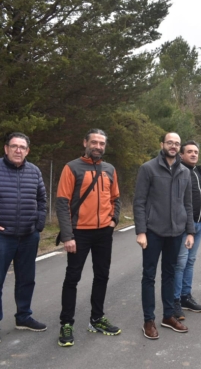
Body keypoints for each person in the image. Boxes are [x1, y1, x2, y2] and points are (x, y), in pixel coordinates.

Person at [57, 129, 121, 347]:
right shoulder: (72, 167)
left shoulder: (109, 169)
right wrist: (67, 235)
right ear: (85, 142)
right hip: (79, 233)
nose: (98, 146)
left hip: (104, 232)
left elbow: (116, 198)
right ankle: (66, 323)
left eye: (102, 143)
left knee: (102, 276)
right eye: (94, 142)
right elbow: (62, 203)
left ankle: (97, 318)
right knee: (72, 278)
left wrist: (114, 221)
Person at [134, 132, 195, 340]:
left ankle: (168, 316)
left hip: (176, 232)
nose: (173, 146)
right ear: (162, 144)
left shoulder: (185, 172)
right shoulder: (148, 168)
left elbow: (188, 204)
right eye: (170, 142)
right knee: (149, 276)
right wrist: (141, 231)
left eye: (177, 143)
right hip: (153, 232)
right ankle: (148, 320)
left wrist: (190, 231)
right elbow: (139, 202)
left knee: (169, 274)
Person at [0, 132, 47, 342]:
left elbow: (42, 199)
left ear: (27, 150)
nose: (18, 150)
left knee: (26, 279)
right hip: (3, 237)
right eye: (14, 146)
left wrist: (38, 225)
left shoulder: (34, 171)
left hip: (29, 236)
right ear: (6, 148)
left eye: (22, 147)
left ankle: (24, 316)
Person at [173, 141, 201, 321]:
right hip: (183, 226)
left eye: (196, 152)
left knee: (190, 261)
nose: (194, 154)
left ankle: (185, 297)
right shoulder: (178, 171)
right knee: (180, 263)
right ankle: (174, 301)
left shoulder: (200, 172)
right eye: (189, 152)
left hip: (199, 223)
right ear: (181, 155)